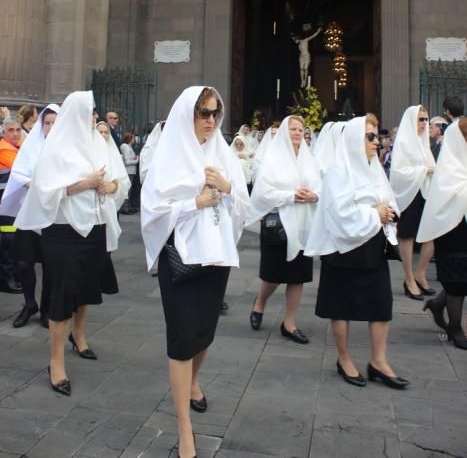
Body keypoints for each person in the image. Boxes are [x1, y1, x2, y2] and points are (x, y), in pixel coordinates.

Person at [141, 86, 249, 458]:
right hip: (181, 263)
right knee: (182, 340)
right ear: (187, 114)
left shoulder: (222, 150)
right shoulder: (169, 155)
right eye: (202, 112)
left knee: (204, 335)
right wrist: (194, 202)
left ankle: (193, 382)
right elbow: (153, 209)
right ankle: (184, 428)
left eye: (214, 112)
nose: (209, 120)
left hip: (216, 258)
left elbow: (244, 205)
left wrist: (228, 185)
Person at [14, 91, 122, 397]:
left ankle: (80, 335)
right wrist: (85, 184)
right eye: (89, 111)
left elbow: (118, 181)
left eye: (95, 112)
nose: (93, 118)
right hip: (63, 231)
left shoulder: (99, 142)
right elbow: (46, 191)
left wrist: (108, 185)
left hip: (95, 227)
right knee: (62, 294)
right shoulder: (55, 147)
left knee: (87, 287)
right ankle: (56, 360)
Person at [305, 114, 408, 389]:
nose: (377, 142)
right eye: (370, 137)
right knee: (341, 307)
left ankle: (379, 361)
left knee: (381, 304)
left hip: (372, 246)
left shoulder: (374, 167)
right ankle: (344, 358)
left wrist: (389, 211)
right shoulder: (339, 171)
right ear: (354, 140)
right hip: (343, 248)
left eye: (377, 136)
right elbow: (338, 213)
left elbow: (388, 197)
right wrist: (374, 213)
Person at [246, 115, 321, 344]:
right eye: (293, 129)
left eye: (300, 129)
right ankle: (260, 303)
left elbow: (320, 186)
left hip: (303, 226)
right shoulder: (272, 159)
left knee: (297, 277)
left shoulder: (309, 159)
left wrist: (315, 195)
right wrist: (290, 196)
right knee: (273, 275)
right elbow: (261, 193)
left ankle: (289, 323)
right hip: (279, 226)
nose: (298, 132)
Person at [1, 105, 60, 328]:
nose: (50, 127)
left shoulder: (67, 149)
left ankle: (46, 308)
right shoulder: (31, 147)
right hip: (30, 210)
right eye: (47, 123)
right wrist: (32, 184)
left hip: (55, 214)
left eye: (55, 122)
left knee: (50, 264)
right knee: (24, 262)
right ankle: (29, 303)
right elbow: (18, 171)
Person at [417, 118, 467, 347]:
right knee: (457, 281)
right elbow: (447, 193)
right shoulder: (449, 163)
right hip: (452, 228)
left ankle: (437, 304)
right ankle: (455, 328)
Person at [390, 105, 436, 300]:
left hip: (426, 192)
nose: (425, 123)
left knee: (432, 233)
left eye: (426, 119)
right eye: (421, 119)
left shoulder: (424, 141)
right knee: (407, 236)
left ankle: (420, 273)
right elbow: (398, 172)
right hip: (409, 194)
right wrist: (424, 170)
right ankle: (409, 279)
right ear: (411, 121)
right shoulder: (404, 142)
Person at [0, 117, 23, 294]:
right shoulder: (4, 149)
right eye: (11, 130)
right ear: (4, 132)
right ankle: (7, 279)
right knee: (7, 242)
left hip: (13, 203)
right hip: (5, 204)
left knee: (12, 240)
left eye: (17, 129)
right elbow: (20, 169)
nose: (15, 133)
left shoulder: (17, 148)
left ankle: (12, 276)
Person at [120, 131, 139, 213]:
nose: (134, 139)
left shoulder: (129, 147)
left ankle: (127, 207)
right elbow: (127, 162)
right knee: (127, 189)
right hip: (128, 171)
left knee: (129, 190)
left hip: (131, 171)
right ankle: (125, 208)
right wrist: (137, 160)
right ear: (130, 138)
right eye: (133, 137)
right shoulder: (125, 147)